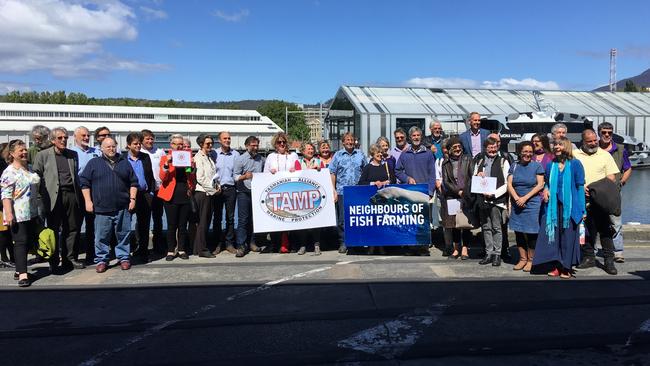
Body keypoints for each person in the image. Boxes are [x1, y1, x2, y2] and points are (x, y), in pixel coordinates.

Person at [80, 136, 138, 273]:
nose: (111, 149)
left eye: (113, 146)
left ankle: (124, 258)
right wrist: (88, 201)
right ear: (101, 148)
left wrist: (133, 199)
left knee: (123, 234)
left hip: (122, 206)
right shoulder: (94, 163)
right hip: (102, 207)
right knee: (101, 236)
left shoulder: (124, 162)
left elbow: (133, 182)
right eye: (108, 147)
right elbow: (84, 183)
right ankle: (101, 260)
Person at [33, 127, 85, 272]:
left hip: (71, 195)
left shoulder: (72, 154)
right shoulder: (42, 155)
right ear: (53, 140)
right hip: (52, 197)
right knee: (53, 229)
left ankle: (70, 258)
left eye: (65, 138)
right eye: (60, 138)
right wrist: (38, 199)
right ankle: (54, 261)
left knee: (72, 228)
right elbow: (36, 177)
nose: (63, 140)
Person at [533, 137, 586, 278]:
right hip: (553, 208)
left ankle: (566, 267)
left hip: (571, 208)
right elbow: (547, 183)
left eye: (560, 145)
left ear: (567, 146)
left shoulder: (575, 164)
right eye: (555, 145)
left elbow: (580, 187)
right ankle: (556, 266)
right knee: (554, 238)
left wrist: (583, 209)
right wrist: (546, 189)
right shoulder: (551, 165)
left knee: (568, 238)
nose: (556, 147)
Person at [573, 129, 619, 275]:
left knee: (605, 230)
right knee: (586, 230)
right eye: (589, 141)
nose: (593, 143)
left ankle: (609, 260)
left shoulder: (605, 155)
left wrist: (593, 188)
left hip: (600, 198)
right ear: (583, 141)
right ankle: (589, 257)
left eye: (595, 140)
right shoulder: (574, 155)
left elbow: (611, 177)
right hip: (582, 198)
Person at [1, 140, 40, 287]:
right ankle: (23, 275)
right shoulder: (9, 172)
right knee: (20, 242)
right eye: (20, 151)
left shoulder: (29, 168)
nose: (24, 153)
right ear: (12, 154)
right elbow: (5, 194)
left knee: (29, 241)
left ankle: (18, 270)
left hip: (32, 212)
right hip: (18, 213)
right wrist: (9, 213)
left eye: (25, 150)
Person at [395, 126, 437, 256]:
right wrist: (407, 178)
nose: (416, 138)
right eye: (414, 136)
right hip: (409, 193)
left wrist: (430, 191)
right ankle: (411, 246)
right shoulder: (404, 154)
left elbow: (432, 174)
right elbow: (397, 171)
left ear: (421, 137)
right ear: (410, 138)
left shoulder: (428, 153)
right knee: (410, 220)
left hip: (423, 192)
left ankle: (423, 247)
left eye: (418, 135)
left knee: (423, 221)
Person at [472, 137, 510, 267]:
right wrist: (478, 175)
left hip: (497, 200)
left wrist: (494, 194)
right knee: (486, 227)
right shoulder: (480, 160)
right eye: (490, 147)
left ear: (497, 147)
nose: (492, 150)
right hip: (482, 199)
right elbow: (474, 178)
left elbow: (507, 183)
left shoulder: (503, 161)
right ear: (485, 148)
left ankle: (497, 254)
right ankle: (488, 253)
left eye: (494, 147)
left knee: (496, 227)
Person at [507, 141, 545, 271]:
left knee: (531, 233)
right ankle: (522, 259)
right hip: (517, 203)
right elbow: (509, 184)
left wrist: (525, 198)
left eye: (530, 152)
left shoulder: (537, 166)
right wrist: (517, 198)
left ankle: (531, 260)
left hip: (532, 204)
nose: (527, 154)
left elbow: (540, 185)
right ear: (520, 152)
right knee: (518, 232)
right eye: (525, 151)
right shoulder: (514, 165)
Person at [598, 122, 632, 263]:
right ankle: (592, 250)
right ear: (599, 132)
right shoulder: (593, 147)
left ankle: (618, 251)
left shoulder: (620, 149)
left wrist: (622, 182)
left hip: (614, 192)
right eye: (604, 132)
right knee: (593, 222)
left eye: (609, 132)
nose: (607, 135)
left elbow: (628, 168)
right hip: (595, 191)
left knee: (615, 221)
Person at [158, 134, 196, 261]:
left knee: (182, 225)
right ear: (171, 145)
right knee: (171, 224)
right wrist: (167, 164)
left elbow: (190, 176)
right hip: (171, 195)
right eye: (176, 144)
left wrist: (192, 167)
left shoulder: (187, 157)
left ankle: (181, 249)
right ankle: (170, 250)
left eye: (181, 144)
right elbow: (163, 178)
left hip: (184, 193)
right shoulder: (165, 158)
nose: (179, 146)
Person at [330, 132, 367, 254]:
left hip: (357, 191)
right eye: (347, 140)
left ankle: (358, 242)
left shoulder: (360, 154)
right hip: (342, 191)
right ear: (343, 142)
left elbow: (366, 171)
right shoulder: (338, 155)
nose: (350, 142)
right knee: (342, 219)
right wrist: (333, 190)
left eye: (352, 140)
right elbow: (332, 173)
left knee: (358, 218)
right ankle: (344, 242)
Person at [358, 143, 396, 255]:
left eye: (381, 152)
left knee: (383, 224)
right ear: (372, 154)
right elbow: (361, 183)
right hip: (372, 201)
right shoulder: (368, 167)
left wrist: (386, 183)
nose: (380, 154)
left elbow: (393, 180)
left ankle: (381, 246)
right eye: (377, 152)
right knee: (372, 224)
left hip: (385, 201)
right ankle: (372, 246)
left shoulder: (387, 166)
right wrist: (373, 183)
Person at [69, 126, 100, 264]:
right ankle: (72, 256)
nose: (86, 138)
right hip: (77, 193)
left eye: (88, 135)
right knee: (74, 225)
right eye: (83, 135)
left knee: (92, 226)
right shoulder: (71, 153)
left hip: (95, 193)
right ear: (75, 137)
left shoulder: (97, 152)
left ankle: (91, 254)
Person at [264, 132, 298, 253]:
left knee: (292, 218)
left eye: (284, 142)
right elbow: (264, 175)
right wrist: (270, 173)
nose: (282, 144)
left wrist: (295, 170)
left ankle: (292, 244)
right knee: (276, 219)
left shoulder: (293, 156)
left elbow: (300, 171)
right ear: (275, 144)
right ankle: (276, 244)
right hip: (275, 193)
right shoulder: (270, 157)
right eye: (279, 142)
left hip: (291, 193)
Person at [440, 137, 473, 260]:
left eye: (459, 147)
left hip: (466, 195)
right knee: (454, 223)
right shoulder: (446, 163)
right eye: (454, 147)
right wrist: (457, 191)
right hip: (452, 196)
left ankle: (465, 249)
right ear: (449, 150)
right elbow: (446, 181)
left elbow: (471, 176)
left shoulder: (468, 159)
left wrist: (465, 192)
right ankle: (456, 248)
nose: (457, 149)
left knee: (465, 223)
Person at [125, 132, 155, 263]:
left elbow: (150, 175)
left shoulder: (145, 157)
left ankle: (143, 250)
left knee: (144, 224)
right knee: (125, 224)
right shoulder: (122, 159)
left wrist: (151, 192)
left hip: (145, 194)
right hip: (128, 196)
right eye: (135, 144)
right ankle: (125, 252)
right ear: (128, 145)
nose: (138, 146)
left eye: (139, 143)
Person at [233, 136, 265, 258]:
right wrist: (244, 177)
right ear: (247, 146)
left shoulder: (261, 159)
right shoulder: (240, 159)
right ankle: (241, 245)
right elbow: (235, 177)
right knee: (243, 220)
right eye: (253, 145)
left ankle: (252, 243)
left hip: (257, 192)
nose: (255, 147)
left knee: (254, 219)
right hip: (243, 192)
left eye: (257, 145)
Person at [294, 142, 325, 255]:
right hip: (301, 196)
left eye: (312, 149)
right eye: (308, 149)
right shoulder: (298, 162)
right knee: (302, 222)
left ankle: (317, 245)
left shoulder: (319, 162)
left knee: (316, 222)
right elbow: (297, 175)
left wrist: (319, 170)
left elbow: (324, 177)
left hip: (315, 196)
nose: (311, 151)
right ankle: (303, 245)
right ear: (302, 151)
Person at [212, 131, 240, 255]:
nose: (227, 140)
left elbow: (238, 172)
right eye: (225, 138)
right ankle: (217, 243)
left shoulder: (236, 154)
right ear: (219, 140)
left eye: (229, 138)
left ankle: (229, 243)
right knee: (217, 218)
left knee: (230, 218)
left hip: (231, 189)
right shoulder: (213, 153)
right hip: (217, 189)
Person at [140, 129, 166, 256]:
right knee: (143, 220)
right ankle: (141, 246)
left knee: (158, 218)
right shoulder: (139, 152)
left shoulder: (160, 152)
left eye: (151, 139)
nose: (150, 141)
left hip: (159, 190)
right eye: (147, 139)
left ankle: (158, 244)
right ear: (142, 140)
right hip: (145, 191)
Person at [193, 134, 218, 258]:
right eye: (207, 143)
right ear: (201, 144)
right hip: (203, 193)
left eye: (211, 143)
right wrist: (213, 190)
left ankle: (198, 248)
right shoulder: (198, 157)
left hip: (209, 193)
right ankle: (202, 249)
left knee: (206, 221)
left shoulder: (209, 157)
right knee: (203, 222)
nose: (210, 145)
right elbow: (200, 178)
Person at [0, 143, 14, 268]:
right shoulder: (2, 165)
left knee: (8, 232)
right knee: (3, 232)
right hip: (2, 204)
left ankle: (11, 257)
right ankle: (4, 258)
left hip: (6, 203)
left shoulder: (7, 164)